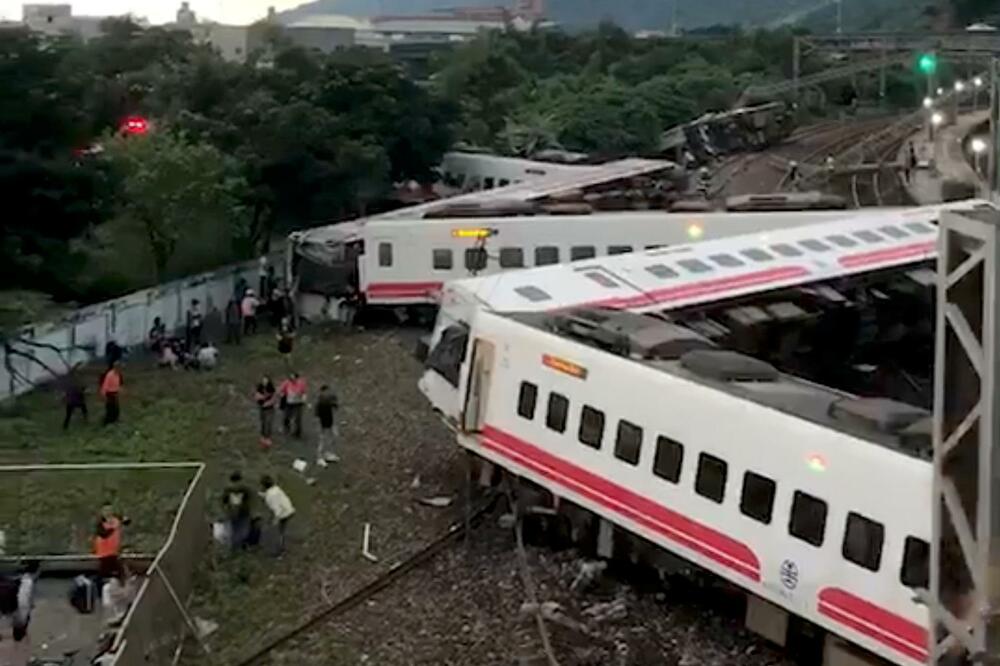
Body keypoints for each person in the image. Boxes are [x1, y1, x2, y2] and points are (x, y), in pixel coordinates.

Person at [260, 475, 294, 555]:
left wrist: (275, 520)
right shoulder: (275, 488)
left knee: (277, 532)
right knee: (280, 531)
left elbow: (277, 510)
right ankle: (280, 547)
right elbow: (272, 495)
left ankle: (278, 551)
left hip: (283, 514)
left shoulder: (270, 496)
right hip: (289, 509)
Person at [93, 504, 128, 580]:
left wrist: (124, 520)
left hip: (114, 553)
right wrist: (114, 527)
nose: (108, 512)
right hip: (104, 555)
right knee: (105, 574)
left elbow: (127, 521)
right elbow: (103, 534)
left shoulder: (116, 519)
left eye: (110, 510)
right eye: (105, 510)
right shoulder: (100, 523)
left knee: (120, 573)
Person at [100, 557, 137, 627]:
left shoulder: (129, 583)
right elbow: (124, 596)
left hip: (126, 615)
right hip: (118, 616)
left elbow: (131, 598)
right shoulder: (111, 585)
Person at [222, 472, 253, 551]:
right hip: (233, 514)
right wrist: (228, 510)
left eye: (238, 482)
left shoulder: (245, 490)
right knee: (234, 530)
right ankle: (234, 546)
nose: (236, 485)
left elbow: (248, 501)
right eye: (234, 483)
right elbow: (224, 502)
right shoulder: (228, 491)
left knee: (244, 530)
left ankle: (243, 543)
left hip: (243, 513)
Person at [314, 385, 340, 467]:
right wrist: (318, 425)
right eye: (326, 392)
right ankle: (319, 458)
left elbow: (335, 407)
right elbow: (317, 415)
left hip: (330, 422)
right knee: (322, 440)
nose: (327, 393)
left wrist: (335, 402)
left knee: (332, 438)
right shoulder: (319, 402)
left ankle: (328, 454)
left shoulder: (330, 400)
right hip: (322, 423)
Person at [279, 372, 307, 438]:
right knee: (286, 417)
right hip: (288, 403)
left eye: (294, 378)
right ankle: (286, 428)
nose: (292, 379)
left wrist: (304, 399)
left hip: (298, 403)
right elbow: (281, 390)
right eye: (291, 378)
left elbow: (304, 392)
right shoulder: (287, 382)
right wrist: (282, 394)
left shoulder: (301, 383)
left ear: (297, 378)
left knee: (297, 418)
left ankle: (297, 433)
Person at [255, 376, 277, 448]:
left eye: (266, 380)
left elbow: (274, 398)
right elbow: (256, 396)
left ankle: (268, 437)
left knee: (269, 422)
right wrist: (261, 398)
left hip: (269, 408)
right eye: (263, 380)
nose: (264, 382)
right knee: (263, 422)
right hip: (262, 407)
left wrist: (268, 403)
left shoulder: (271, 389)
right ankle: (263, 436)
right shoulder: (260, 388)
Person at [100, 362, 123, 426]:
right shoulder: (109, 375)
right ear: (115, 367)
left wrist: (119, 390)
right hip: (109, 393)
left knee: (116, 408)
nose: (120, 369)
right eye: (118, 368)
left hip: (115, 393)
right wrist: (103, 395)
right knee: (110, 409)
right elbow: (105, 385)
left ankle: (115, 420)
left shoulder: (118, 374)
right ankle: (106, 423)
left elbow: (118, 384)